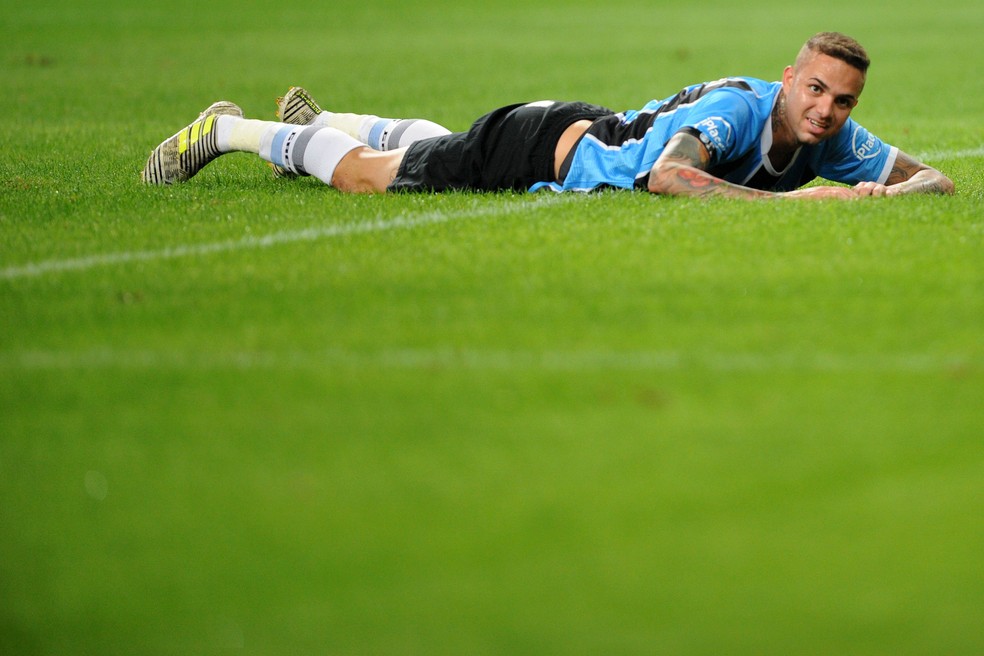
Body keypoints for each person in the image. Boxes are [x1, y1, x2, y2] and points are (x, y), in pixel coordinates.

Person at [142, 32, 954, 199]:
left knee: (441, 150)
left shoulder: (835, 135)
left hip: (570, 130)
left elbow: (935, 181)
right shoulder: (739, 113)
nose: (825, 110)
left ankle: (329, 116)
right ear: (790, 78)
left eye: (842, 99)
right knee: (365, 181)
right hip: (541, 148)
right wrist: (799, 205)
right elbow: (670, 175)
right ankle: (233, 130)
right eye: (815, 90)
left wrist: (897, 189)